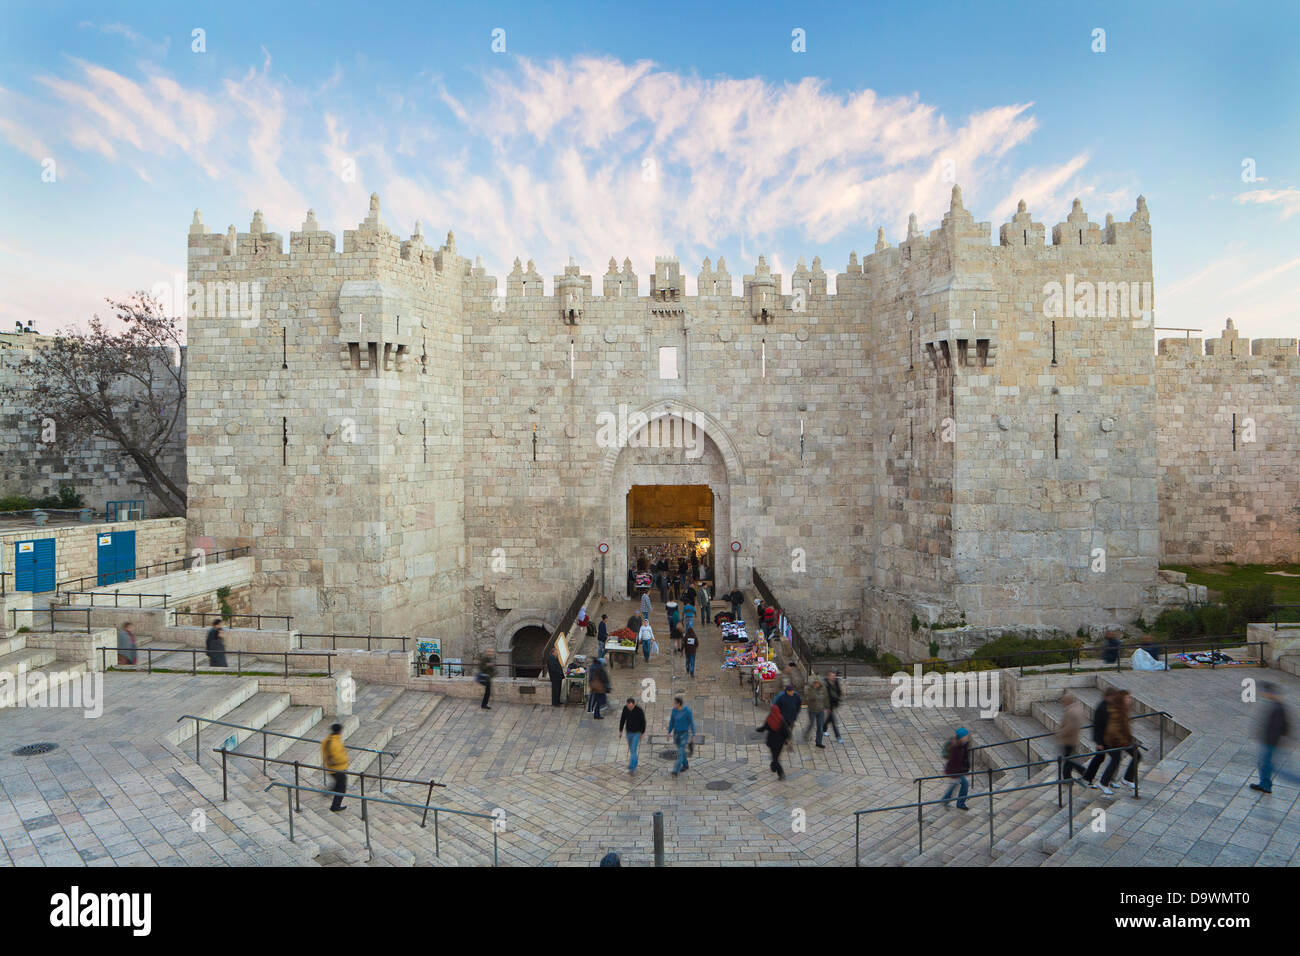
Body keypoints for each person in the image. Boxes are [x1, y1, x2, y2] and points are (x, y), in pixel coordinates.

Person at [1251, 683, 1300, 793]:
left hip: (1271, 742)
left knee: (1277, 769)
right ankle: (1265, 785)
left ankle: (1265, 785)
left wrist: (1272, 740)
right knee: (1265, 765)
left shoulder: (1277, 708)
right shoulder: (1276, 705)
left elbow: (1281, 727)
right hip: (1271, 741)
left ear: (1270, 694)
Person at [1100, 689, 1140, 794]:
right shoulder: (1116, 711)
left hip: (1122, 741)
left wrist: (1129, 739)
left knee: (1136, 755)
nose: (1130, 700)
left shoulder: (1124, 709)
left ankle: (1127, 779)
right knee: (1116, 760)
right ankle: (1103, 783)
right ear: (1121, 699)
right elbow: (1114, 730)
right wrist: (1125, 741)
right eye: (1127, 698)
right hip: (1113, 741)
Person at [1081, 688, 1114, 790]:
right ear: (1107, 697)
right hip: (1103, 739)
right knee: (1105, 758)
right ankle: (1088, 778)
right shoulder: (1102, 707)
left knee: (1105, 758)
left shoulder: (1109, 706)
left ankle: (1091, 778)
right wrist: (1099, 742)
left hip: (1107, 738)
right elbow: (1097, 726)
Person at [1057, 691, 1089, 780]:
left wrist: (1061, 733)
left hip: (1069, 739)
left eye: (1064, 701)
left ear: (1068, 701)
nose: (1063, 703)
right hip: (1071, 739)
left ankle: (1080, 772)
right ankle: (1073, 775)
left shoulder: (1072, 711)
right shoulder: (1074, 708)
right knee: (1069, 758)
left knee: (1069, 759)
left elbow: (1071, 726)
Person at [940, 728, 972, 809]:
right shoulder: (956, 748)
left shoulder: (963, 744)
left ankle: (946, 800)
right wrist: (963, 772)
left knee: (956, 785)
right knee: (963, 784)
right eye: (966, 736)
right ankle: (959, 803)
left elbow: (965, 758)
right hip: (955, 771)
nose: (967, 737)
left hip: (958, 771)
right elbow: (956, 762)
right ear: (961, 737)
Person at [321, 723, 349, 811]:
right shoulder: (335, 743)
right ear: (340, 731)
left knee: (339, 784)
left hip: (331, 768)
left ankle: (329, 791)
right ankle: (335, 806)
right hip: (338, 769)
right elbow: (337, 757)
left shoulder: (327, 740)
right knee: (342, 789)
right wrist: (345, 760)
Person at [667, 695, 695, 777]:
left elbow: (691, 723)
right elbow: (672, 722)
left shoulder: (687, 712)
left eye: (675, 703)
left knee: (680, 752)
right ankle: (685, 765)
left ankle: (675, 771)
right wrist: (669, 732)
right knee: (681, 751)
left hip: (684, 734)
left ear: (679, 704)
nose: (673, 704)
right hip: (676, 734)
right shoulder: (674, 711)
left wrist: (693, 734)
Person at [618, 697, 647, 773]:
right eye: (628, 706)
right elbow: (622, 719)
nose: (629, 707)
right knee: (631, 750)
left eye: (630, 706)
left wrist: (642, 732)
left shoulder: (639, 710)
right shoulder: (625, 709)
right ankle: (635, 762)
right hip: (628, 733)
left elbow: (643, 722)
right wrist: (620, 730)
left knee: (633, 750)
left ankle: (632, 768)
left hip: (636, 733)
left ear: (633, 704)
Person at [804, 673, 829, 747]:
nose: (816, 684)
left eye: (817, 683)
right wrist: (813, 695)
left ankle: (818, 742)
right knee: (811, 724)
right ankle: (806, 734)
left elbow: (826, 698)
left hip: (821, 710)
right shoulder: (809, 689)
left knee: (820, 726)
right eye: (814, 683)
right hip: (812, 710)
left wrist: (827, 707)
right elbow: (807, 699)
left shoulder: (823, 689)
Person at [824, 668, 844, 743]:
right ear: (828, 676)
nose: (834, 677)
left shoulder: (836, 682)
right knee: (833, 721)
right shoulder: (825, 684)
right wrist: (827, 707)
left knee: (829, 719)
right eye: (832, 676)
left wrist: (838, 698)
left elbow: (839, 691)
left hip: (834, 703)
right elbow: (825, 696)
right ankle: (838, 736)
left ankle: (823, 729)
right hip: (829, 705)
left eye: (834, 676)